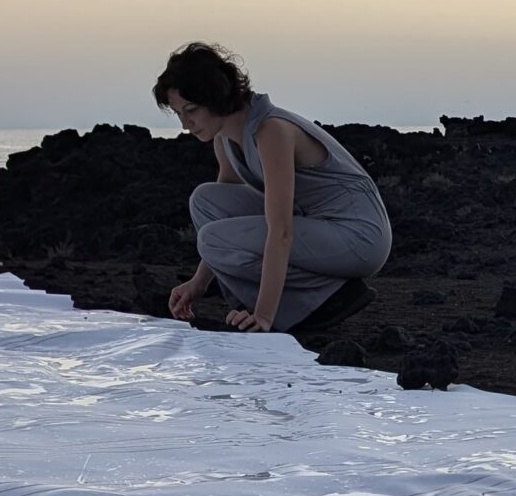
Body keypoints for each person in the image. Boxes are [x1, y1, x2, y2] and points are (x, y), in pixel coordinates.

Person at [153, 43, 391, 334]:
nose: (185, 124)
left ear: (215, 96)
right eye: (178, 113)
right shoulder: (224, 139)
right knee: (206, 201)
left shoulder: (271, 131)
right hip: (314, 224)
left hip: (358, 238)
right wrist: (198, 283)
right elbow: (223, 221)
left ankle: (327, 297)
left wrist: (265, 316)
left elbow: (281, 231)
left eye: (191, 110)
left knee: (212, 239)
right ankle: (248, 306)